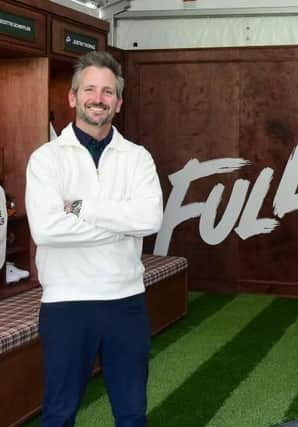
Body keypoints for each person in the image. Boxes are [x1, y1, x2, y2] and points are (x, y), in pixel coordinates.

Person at [25, 51, 163, 427]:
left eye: (107, 91)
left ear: (118, 102)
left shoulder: (137, 158)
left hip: (126, 302)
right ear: (72, 97)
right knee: (58, 415)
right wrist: (121, 220)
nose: (97, 98)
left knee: (132, 414)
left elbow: (149, 219)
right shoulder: (46, 159)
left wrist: (82, 208)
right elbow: (47, 230)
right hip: (67, 305)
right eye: (89, 89)